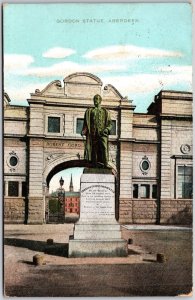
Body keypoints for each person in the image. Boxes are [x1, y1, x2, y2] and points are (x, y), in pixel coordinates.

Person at [81, 94, 112, 168]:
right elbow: (86, 123)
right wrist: (84, 130)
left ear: (100, 101)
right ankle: (94, 164)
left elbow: (110, 124)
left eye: (97, 99)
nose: (95, 100)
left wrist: (107, 129)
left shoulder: (105, 112)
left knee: (104, 148)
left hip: (102, 133)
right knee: (93, 149)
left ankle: (105, 164)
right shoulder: (90, 111)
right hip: (93, 134)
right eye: (94, 99)